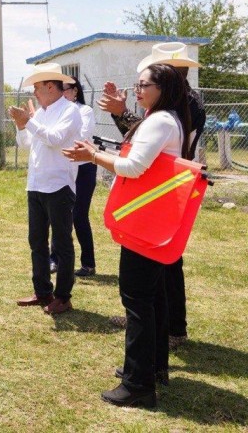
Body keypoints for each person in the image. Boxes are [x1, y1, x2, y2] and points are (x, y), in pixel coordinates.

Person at [64, 63, 192, 408]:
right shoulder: (167, 120)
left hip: (145, 221)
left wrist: (92, 154)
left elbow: (133, 166)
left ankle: (139, 384)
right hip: (155, 220)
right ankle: (153, 369)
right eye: (136, 84)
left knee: (137, 300)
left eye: (143, 85)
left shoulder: (160, 121)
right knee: (153, 298)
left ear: (162, 88)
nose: (137, 90)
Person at [97, 42, 204, 349]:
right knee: (154, 264)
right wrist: (123, 114)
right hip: (154, 187)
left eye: (148, 80)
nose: (143, 85)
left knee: (167, 260)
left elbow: (151, 141)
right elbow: (140, 138)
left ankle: (173, 328)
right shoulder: (167, 106)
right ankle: (153, 323)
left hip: (167, 190)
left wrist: (124, 113)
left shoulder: (187, 104)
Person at [10, 63, 82, 316]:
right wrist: (21, 125)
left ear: (51, 87)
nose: (35, 93)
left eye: (37, 88)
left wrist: (28, 122)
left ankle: (63, 296)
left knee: (61, 244)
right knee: (36, 241)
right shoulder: (41, 112)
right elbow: (26, 143)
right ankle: (43, 292)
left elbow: (54, 139)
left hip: (59, 185)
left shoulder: (70, 111)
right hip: (36, 185)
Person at [50, 77, 98, 277]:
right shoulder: (57, 112)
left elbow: (80, 137)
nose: (62, 93)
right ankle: (55, 259)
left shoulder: (84, 111)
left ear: (75, 91)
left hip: (84, 168)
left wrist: (57, 138)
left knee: (79, 215)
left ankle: (88, 263)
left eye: (66, 89)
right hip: (65, 167)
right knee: (59, 214)